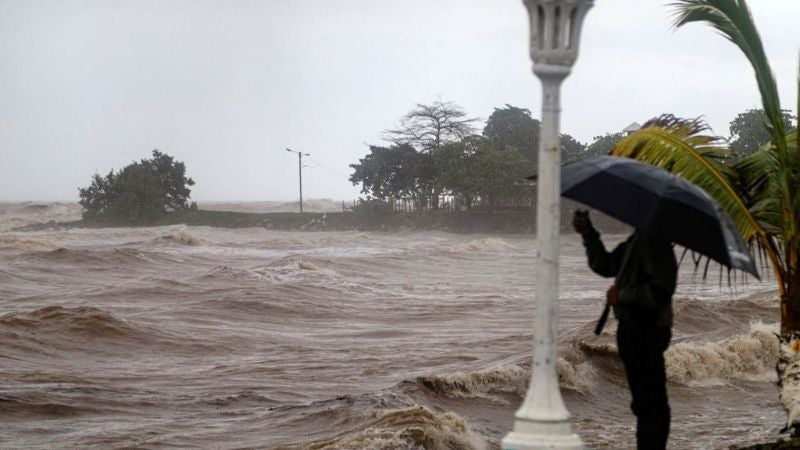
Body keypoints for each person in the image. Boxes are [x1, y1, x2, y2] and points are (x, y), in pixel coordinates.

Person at [573, 209, 678, 450]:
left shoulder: (655, 243)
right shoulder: (638, 240)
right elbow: (606, 265)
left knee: (651, 402)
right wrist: (589, 235)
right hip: (632, 329)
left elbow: (661, 290)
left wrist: (620, 294)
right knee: (644, 402)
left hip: (647, 330)